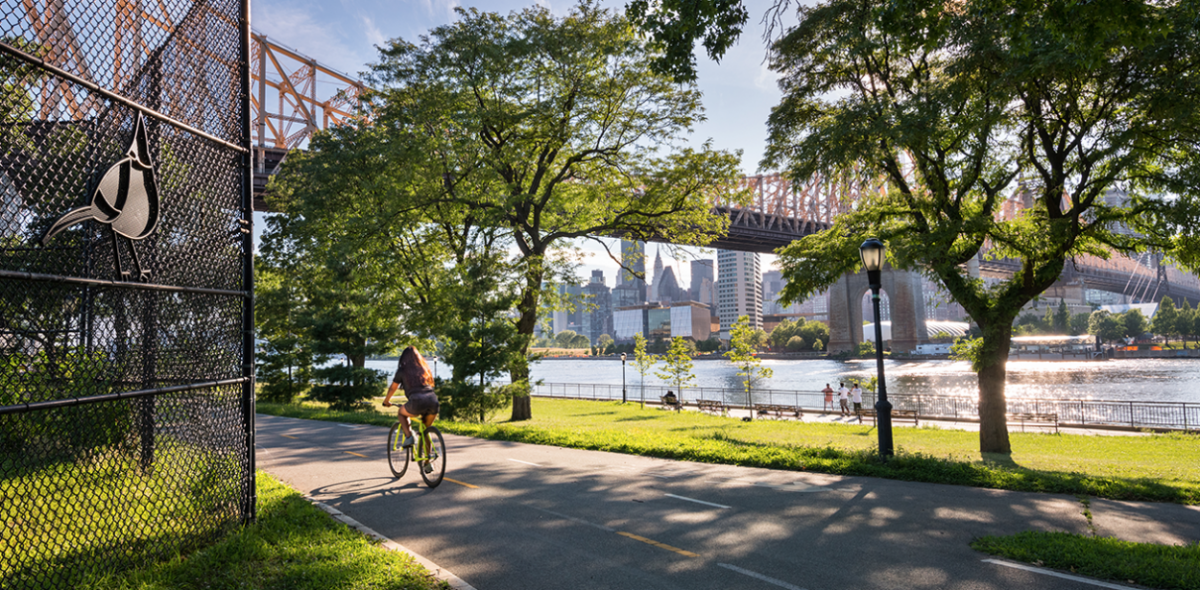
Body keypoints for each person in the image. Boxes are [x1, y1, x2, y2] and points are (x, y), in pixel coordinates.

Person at [382, 346, 439, 471]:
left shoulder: (402, 371)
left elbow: (393, 388)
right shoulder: (424, 368)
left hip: (416, 402)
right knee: (425, 430)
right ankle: (427, 462)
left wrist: (386, 401)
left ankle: (409, 436)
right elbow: (431, 384)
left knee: (402, 413)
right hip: (433, 401)